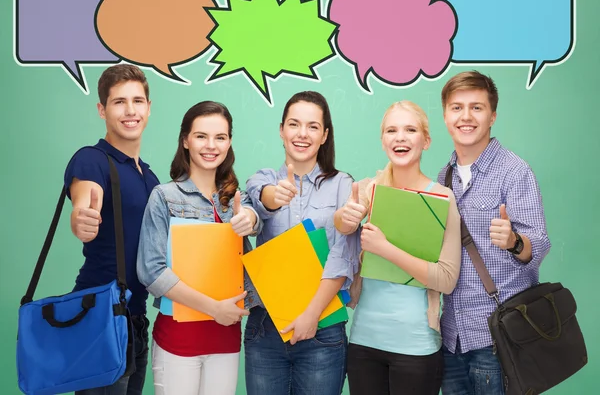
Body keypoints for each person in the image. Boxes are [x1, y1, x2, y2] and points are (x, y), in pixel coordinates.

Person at [334, 101, 461, 395]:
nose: (400, 137)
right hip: (364, 343)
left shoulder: (442, 198)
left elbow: (446, 279)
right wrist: (346, 216)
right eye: (391, 130)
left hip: (416, 348)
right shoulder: (369, 188)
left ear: (425, 141)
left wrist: (385, 248)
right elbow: (343, 221)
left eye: (410, 129)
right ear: (382, 141)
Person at [438, 71, 551, 395]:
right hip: (452, 338)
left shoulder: (515, 171)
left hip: (497, 338)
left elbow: (538, 244)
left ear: (492, 116)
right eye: (457, 107)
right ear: (446, 115)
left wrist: (514, 241)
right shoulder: (444, 176)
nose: (466, 116)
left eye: (477, 107)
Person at [136, 101, 260, 395]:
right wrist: (214, 308)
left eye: (220, 137)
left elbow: (255, 224)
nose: (211, 145)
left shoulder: (235, 202)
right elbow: (151, 273)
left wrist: (251, 219)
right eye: (201, 136)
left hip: (226, 339)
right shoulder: (164, 197)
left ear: (229, 142)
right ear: (185, 140)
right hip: (179, 339)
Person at [244, 90, 360, 395]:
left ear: (324, 135)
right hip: (266, 326)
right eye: (294, 124)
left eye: (312, 126)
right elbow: (257, 203)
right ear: (281, 130)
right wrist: (273, 197)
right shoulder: (263, 178)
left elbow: (343, 252)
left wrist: (312, 315)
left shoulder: (342, 185)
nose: (302, 134)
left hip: (323, 327)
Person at [65, 64, 159, 395]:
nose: (130, 111)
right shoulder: (92, 160)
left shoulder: (150, 177)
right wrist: (82, 218)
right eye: (119, 102)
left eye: (137, 101)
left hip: (135, 318)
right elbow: (85, 200)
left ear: (149, 108)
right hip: (100, 318)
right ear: (102, 109)